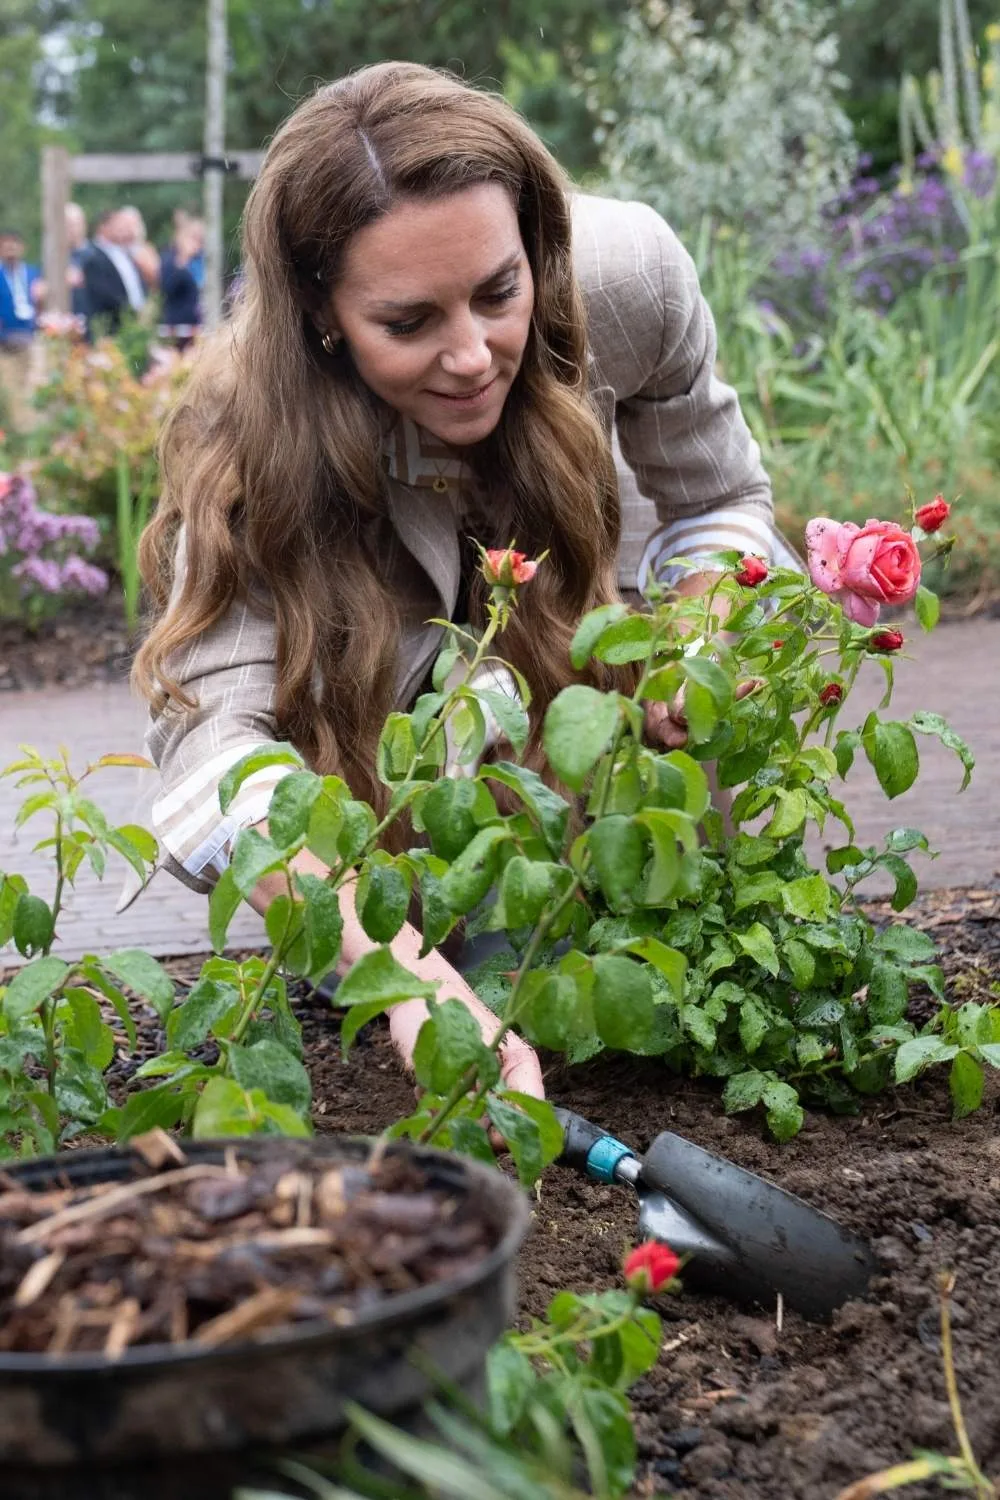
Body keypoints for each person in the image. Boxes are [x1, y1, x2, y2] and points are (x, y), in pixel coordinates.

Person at [132, 62, 780, 1102]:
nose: (473, 356)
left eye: (498, 293)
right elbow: (214, 754)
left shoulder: (624, 280)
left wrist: (703, 632)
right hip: (387, 787)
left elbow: (719, 503)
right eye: (409, 323)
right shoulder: (248, 425)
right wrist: (398, 976)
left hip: (578, 749)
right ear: (323, 312)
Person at [0, 229, 45, 431]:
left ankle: (31, 432)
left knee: (33, 390)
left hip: (31, 338)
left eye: (14, 245)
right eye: (6, 245)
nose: (10, 249)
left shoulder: (33, 273)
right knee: (11, 392)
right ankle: (17, 433)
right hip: (5, 343)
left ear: (22, 248)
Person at [84, 208, 147, 334]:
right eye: (117, 226)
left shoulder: (124, 252)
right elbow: (104, 293)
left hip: (132, 322)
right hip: (112, 325)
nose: (121, 230)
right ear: (103, 227)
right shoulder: (93, 256)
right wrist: (128, 311)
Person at [158, 216, 204, 346]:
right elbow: (167, 288)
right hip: (178, 326)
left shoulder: (200, 260)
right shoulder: (170, 259)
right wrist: (183, 260)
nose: (198, 243)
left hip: (198, 323)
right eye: (194, 238)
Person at [65, 202, 92, 325]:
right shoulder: (54, 259)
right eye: (65, 224)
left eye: (73, 224)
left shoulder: (95, 255)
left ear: (83, 225)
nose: (70, 229)